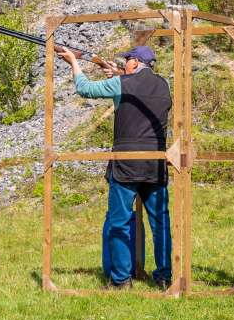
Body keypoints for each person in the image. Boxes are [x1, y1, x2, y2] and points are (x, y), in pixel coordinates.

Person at [56, 45, 172, 290]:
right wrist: (116, 75)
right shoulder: (164, 85)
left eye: (128, 60)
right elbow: (137, 93)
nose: (126, 63)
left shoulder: (123, 84)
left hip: (127, 163)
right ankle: (163, 277)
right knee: (160, 223)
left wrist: (73, 63)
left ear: (134, 63)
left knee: (119, 222)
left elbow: (85, 89)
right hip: (156, 163)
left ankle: (121, 280)